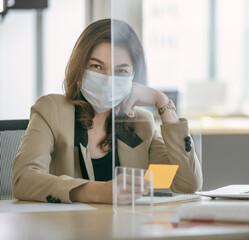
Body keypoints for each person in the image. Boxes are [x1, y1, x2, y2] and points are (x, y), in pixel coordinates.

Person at [12, 19, 203, 204]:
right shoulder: (52, 110)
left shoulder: (140, 124)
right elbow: (24, 180)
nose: (107, 80)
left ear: (134, 76)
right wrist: (100, 192)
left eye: (120, 71)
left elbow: (186, 184)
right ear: (80, 68)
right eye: (96, 66)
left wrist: (162, 103)